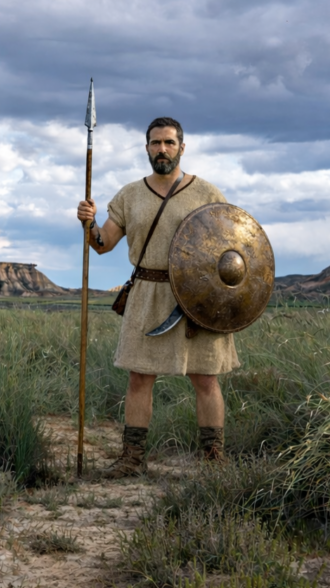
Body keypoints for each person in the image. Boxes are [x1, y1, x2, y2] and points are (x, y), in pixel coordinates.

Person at [76, 117, 239, 478]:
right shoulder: (130, 195)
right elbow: (103, 245)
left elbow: (231, 251)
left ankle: (214, 460)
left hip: (197, 297)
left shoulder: (208, 194)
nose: (161, 149)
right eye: (155, 143)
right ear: (146, 147)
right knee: (139, 378)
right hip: (147, 293)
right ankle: (132, 460)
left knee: (206, 379)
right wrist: (89, 224)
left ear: (182, 146)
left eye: (168, 142)